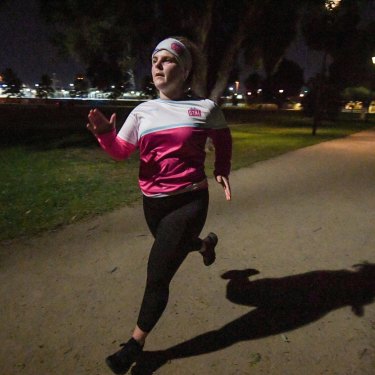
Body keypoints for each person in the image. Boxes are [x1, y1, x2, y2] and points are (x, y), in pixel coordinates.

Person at [87, 36, 232, 374]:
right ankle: (204, 245)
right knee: (177, 247)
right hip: (152, 204)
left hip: (190, 201)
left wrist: (221, 169)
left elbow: (223, 137)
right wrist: (106, 135)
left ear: (185, 70)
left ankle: (135, 345)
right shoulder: (142, 111)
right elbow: (121, 151)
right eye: (154, 60)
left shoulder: (205, 108)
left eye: (167, 60)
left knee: (158, 274)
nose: (157, 66)